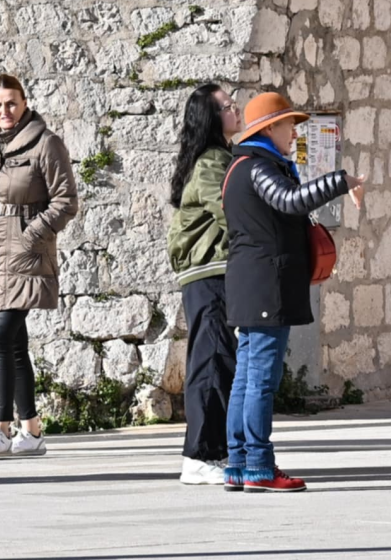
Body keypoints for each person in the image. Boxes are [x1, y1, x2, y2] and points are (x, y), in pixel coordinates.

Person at [222, 92, 362, 493]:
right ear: (269, 128)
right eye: (289, 126)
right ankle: (260, 467)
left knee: (247, 378)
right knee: (260, 380)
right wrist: (341, 181)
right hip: (267, 286)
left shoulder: (246, 167)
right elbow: (289, 201)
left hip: (254, 284)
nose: (294, 134)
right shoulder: (257, 167)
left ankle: (238, 464)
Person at [0, 74, 79, 458]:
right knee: (14, 343)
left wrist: (32, 235)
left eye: (11, 103)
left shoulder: (46, 144)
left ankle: (0, 427)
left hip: (25, 253)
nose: (5, 111)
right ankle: (30, 430)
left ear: (25, 102)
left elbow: (66, 200)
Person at [167, 84, 241, 485]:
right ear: (211, 118)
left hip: (215, 270)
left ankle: (215, 449)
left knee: (219, 358)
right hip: (208, 270)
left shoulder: (221, 156)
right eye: (228, 106)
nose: (237, 109)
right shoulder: (213, 161)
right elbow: (231, 211)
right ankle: (199, 455)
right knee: (211, 360)